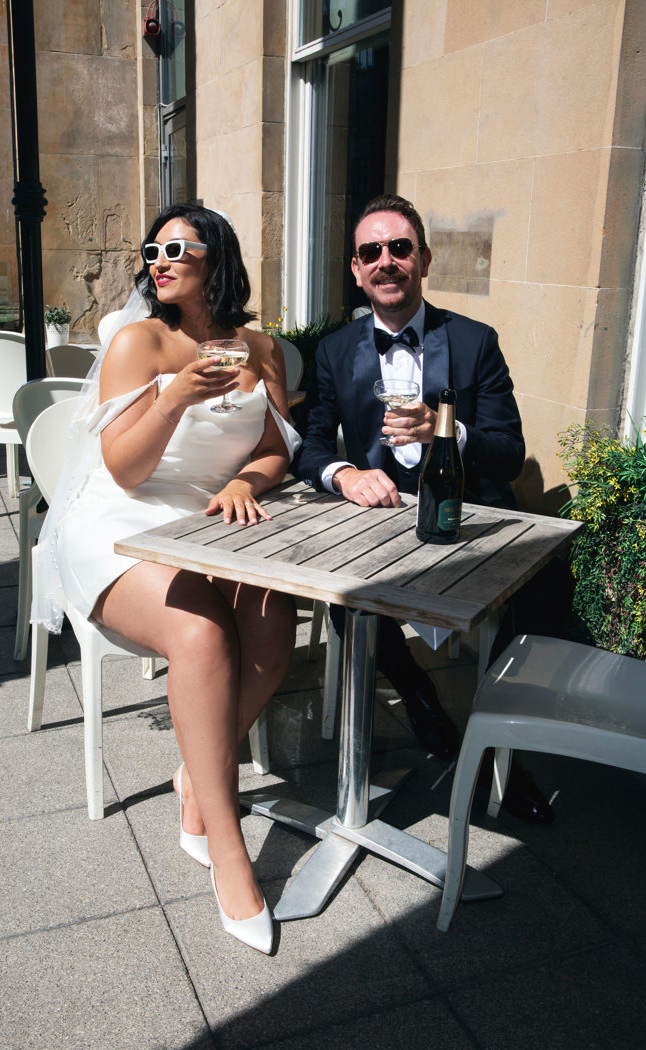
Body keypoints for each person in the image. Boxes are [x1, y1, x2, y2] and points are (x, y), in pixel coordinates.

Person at [34, 203, 302, 953]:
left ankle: (197, 777)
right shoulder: (138, 341)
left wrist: (249, 479)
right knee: (200, 632)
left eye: (178, 247)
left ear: (216, 256)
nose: (160, 259)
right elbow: (125, 467)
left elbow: (279, 448)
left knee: (274, 622)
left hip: (213, 519)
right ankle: (226, 843)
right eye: (152, 249)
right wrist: (176, 394)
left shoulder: (260, 347)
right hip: (120, 522)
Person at [293, 193, 566, 824]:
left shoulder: (473, 343)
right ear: (356, 271)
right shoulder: (335, 351)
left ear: (424, 260)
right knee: (345, 595)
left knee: (547, 585)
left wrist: (450, 432)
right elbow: (308, 446)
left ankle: (498, 751)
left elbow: (508, 451)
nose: (386, 261)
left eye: (399, 248)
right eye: (371, 252)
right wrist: (344, 473)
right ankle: (418, 698)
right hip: (379, 519)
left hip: (466, 516)